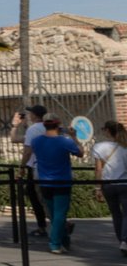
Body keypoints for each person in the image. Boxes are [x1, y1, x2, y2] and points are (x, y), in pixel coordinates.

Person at [29, 118, 82, 255]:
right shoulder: (65, 141)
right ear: (58, 126)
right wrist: (74, 136)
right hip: (62, 180)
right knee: (60, 213)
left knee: (53, 214)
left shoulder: (36, 141)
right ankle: (55, 243)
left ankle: (64, 239)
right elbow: (80, 153)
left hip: (44, 181)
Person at [92, 121, 127, 256]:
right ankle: (125, 240)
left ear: (107, 131)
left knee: (116, 214)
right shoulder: (125, 147)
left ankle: (121, 240)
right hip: (125, 183)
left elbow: (98, 169)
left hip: (108, 184)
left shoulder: (100, 147)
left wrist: (98, 187)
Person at [18, 105, 51, 233]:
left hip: (36, 166)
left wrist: (22, 166)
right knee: (47, 196)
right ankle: (51, 223)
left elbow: (27, 151)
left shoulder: (33, 129)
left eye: (30, 113)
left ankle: (46, 224)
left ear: (35, 115)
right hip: (51, 165)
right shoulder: (51, 127)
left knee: (36, 196)